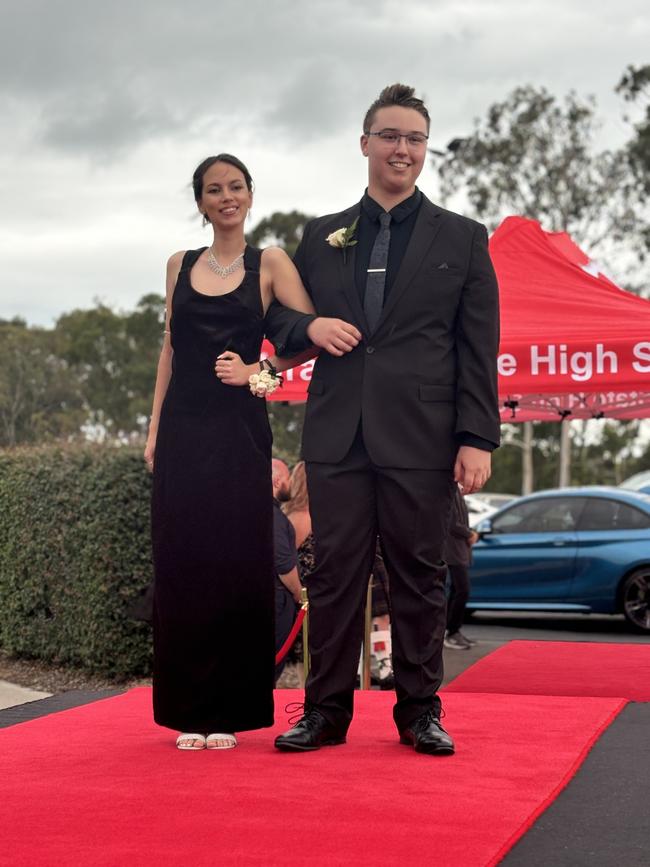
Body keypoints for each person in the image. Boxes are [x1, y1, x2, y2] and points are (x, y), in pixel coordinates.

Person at [269, 84, 500, 756]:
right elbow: (282, 329)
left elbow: (475, 347)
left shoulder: (463, 238)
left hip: (423, 438)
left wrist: (476, 435)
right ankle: (324, 712)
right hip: (338, 435)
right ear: (365, 141)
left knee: (420, 574)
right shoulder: (320, 236)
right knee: (334, 573)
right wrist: (311, 322)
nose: (403, 148)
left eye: (415, 138)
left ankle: (420, 711)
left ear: (425, 149)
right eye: (390, 135)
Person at [145, 153, 358, 751]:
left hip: (239, 434)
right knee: (185, 563)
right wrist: (155, 430)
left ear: (249, 194)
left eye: (235, 186)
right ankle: (188, 710)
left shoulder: (270, 263)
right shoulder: (177, 265)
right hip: (184, 433)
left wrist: (257, 374)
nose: (226, 197)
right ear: (201, 201)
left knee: (237, 563)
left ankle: (232, 710)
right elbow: (170, 351)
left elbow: (309, 337)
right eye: (214, 189)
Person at [271, 458, 302, 681]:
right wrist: (299, 592)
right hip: (277, 599)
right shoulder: (272, 516)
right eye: (288, 478)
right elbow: (283, 563)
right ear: (276, 480)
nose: (290, 483)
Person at [443, 484, 479, 650]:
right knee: (462, 590)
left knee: (457, 590)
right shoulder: (449, 487)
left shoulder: (456, 488)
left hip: (457, 549)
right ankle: (452, 632)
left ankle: (451, 631)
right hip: (452, 550)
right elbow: (451, 521)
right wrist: (469, 533)